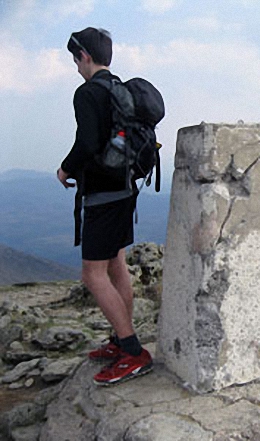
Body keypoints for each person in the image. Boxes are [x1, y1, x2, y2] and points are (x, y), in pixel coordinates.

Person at [57, 27, 152, 386]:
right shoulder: (121, 89)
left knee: (92, 274)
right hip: (127, 189)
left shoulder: (88, 93)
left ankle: (132, 351)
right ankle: (119, 339)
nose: (75, 66)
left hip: (101, 194)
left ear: (84, 55)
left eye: (75, 58)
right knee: (116, 265)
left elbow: (87, 142)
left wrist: (65, 169)